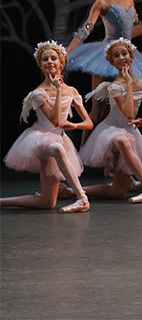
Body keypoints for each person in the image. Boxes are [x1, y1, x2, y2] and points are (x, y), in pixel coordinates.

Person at [66, 0, 142, 138]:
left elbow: (136, 29)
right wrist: (67, 51)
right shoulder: (101, 2)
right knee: (98, 110)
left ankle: (113, 154)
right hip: (106, 56)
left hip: (127, 55)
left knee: (121, 108)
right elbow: (86, 29)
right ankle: (82, 156)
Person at [2, 41, 92, 212]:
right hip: (40, 139)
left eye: (53, 58)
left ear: (61, 63)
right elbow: (55, 121)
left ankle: (2, 201)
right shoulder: (38, 93)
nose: (49, 62)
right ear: (40, 65)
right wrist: (58, 91)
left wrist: (75, 125)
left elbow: (89, 123)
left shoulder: (72, 91)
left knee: (47, 202)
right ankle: (82, 198)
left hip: (59, 139)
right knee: (56, 147)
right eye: (45, 59)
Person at [79, 38, 142, 203]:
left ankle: (73, 191)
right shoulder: (115, 86)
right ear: (111, 61)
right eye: (116, 56)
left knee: (118, 192)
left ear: (131, 56)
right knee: (123, 140)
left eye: (124, 53)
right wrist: (127, 83)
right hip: (111, 131)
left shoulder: (141, 84)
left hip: (130, 130)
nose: (121, 58)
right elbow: (128, 113)